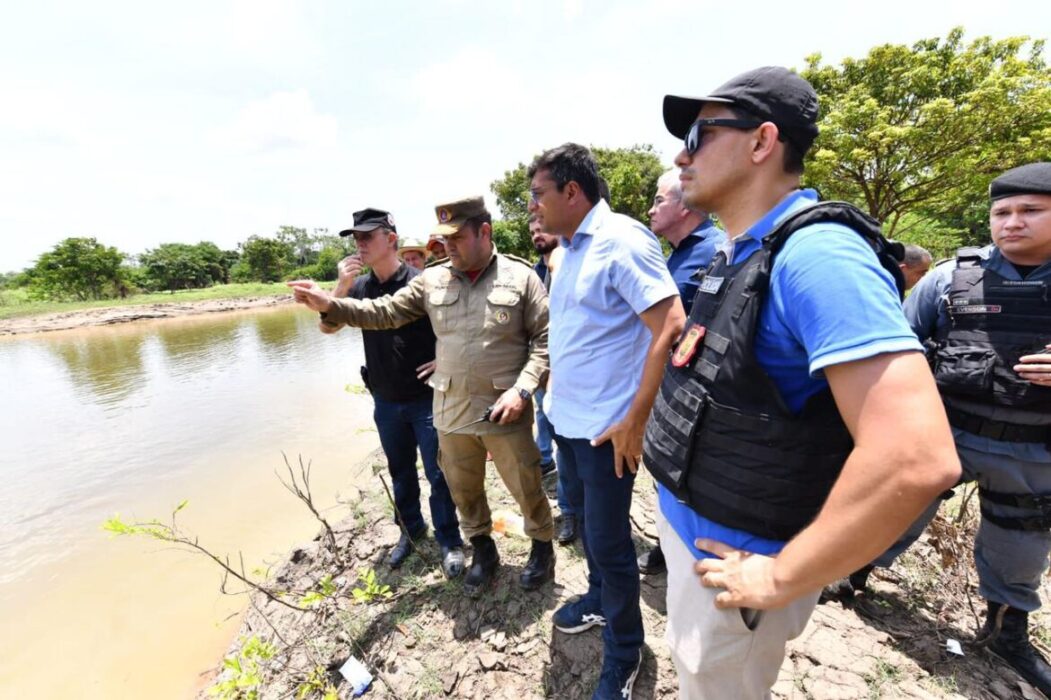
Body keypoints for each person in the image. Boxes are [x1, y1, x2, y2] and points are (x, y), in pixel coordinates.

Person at [642, 66, 960, 698]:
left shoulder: (819, 257)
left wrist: (782, 576)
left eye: (701, 133)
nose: (682, 154)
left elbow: (915, 459)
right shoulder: (743, 248)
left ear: (762, 143)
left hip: (740, 567)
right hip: (699, 531)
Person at [289, 196, 555, 597]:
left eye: (458, 237)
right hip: (450, 409)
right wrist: (331, 304)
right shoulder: (432, 280)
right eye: (444, 239)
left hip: (505, 408)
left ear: (485, 232)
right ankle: (483, 549)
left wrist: (523, 390)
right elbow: (382, 312)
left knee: (525, 484)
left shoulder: (521, 277)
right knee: (462, 488)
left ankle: (541, 549)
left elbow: (545, 341)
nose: (448, 247)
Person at [861, 163, 1051, 695]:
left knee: (1020, 549)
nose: (1012, 223)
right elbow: (895, 343)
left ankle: (1006, 632)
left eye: (1030, 211)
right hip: (941, 434)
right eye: (1002, 212)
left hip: (1031, 452)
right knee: (893, 508)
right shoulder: (949, 276)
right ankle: (850, 578)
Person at [528, 143, 685, 700]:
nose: (533, 207)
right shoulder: (568, 250)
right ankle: (599, 599)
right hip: (568, 422)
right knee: (592, 535)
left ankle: (624, 654)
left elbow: (671, 325)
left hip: (605, 432)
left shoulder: (621, 239)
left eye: (539, 194)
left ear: (573, 191)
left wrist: (635, 421)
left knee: (611, 542)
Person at [330, 209, 464, 576]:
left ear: (391, 239)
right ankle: (410, 531)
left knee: (439, 472)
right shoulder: (359, 288)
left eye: (367, 236)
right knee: (400, 471)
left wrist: (444, 358)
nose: (360, 244)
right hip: (386, 400)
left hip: (426, 398)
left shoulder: (423, 282)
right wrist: (341, 286)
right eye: (355, 238)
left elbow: (458, 328)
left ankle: (450, 540)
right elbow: (327, 326)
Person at [637, 168, 727, 576]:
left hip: (699, 392)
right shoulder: (673, 254)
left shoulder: (716, 252)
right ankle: (668, 544)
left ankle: (686, 553)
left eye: (659, 200)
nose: (651, 209)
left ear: (685, 205)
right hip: (668, 383)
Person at [528, 214, 576, 544]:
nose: (537, 234)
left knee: (570, 447)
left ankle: (573, 510)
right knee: (546, 424)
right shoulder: (532, 274)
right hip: (541, 370)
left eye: (542, 227)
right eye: (532, 231)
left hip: (571, 373)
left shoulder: (573, 265)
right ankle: (568, 509)